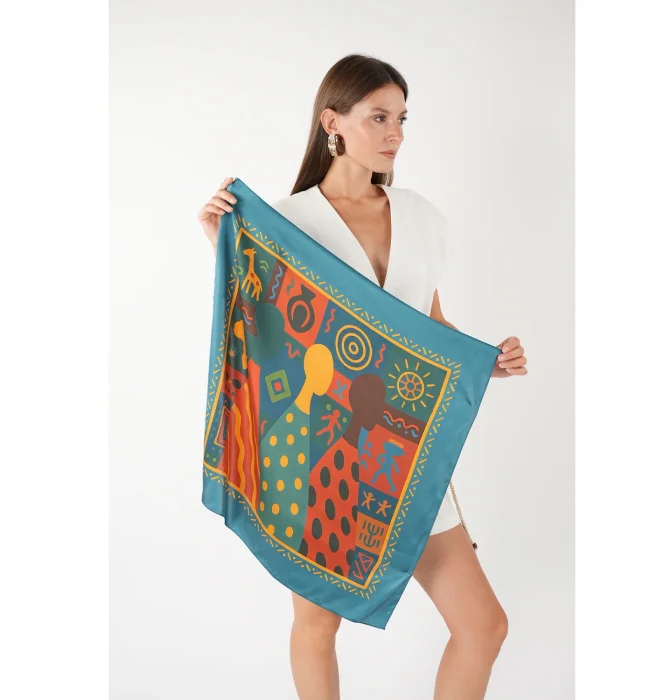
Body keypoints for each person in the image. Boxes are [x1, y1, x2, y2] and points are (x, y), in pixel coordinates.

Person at [197, 54, 528, 700]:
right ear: (333, 124)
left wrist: (488, 359)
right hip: (318, 451)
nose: (395, 133)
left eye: (402, 119)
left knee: (483, 627)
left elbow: (430, 329)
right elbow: (265, 338)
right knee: (318, 624)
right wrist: (224, 246)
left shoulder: (420, 217)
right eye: (378, 117)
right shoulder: (288, 223)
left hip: (404, 453)